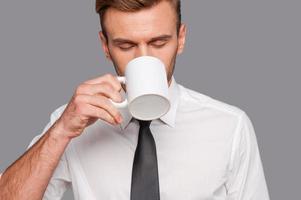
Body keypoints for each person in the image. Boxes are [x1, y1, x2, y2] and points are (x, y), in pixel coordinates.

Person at [0, 0, 270, 199]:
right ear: (105, 46)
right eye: (126, 45)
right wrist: (60, 132)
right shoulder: (75, 123)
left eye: (159, 42)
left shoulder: (230, 126)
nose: (144, 59)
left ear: (181, 38)